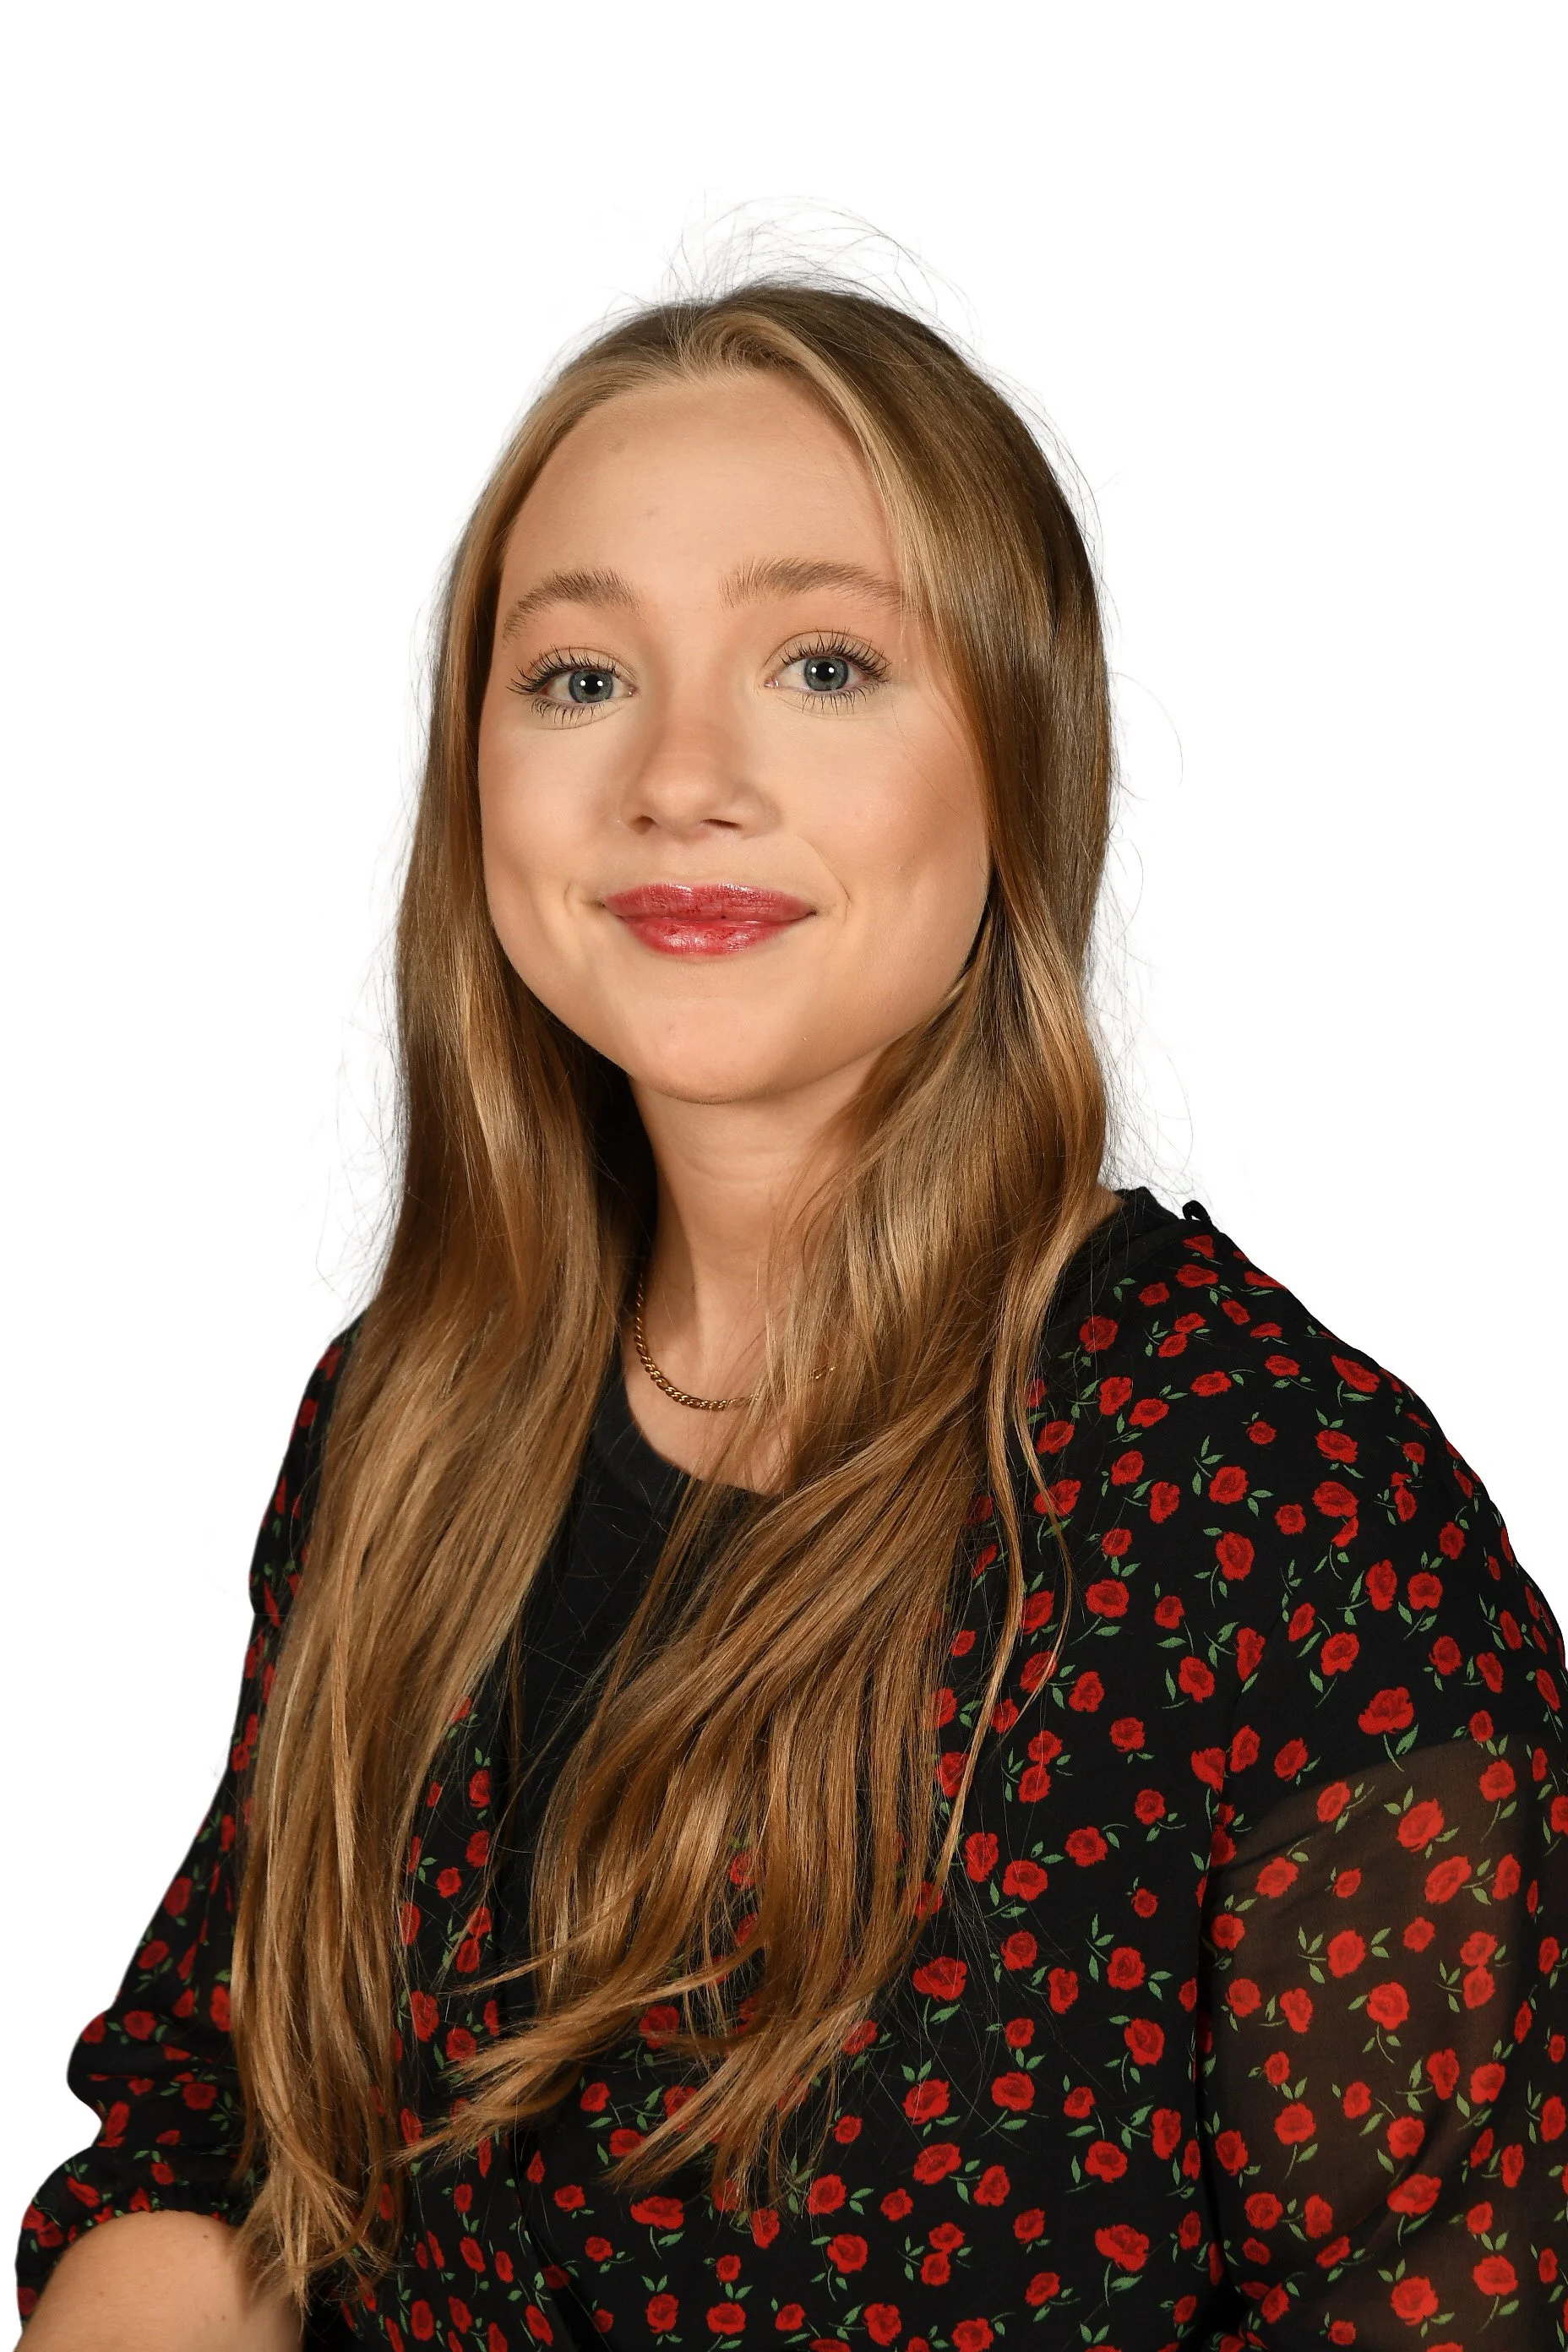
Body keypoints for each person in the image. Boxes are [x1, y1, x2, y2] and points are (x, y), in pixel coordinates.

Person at [16, 281, 1566, 2352]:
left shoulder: (1287, 1524)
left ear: (1018, 757)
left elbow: (1457, 2303)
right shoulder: (406, 1416)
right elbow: (214, 2153)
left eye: (822, 665)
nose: (680, 777)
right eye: (578, 676)